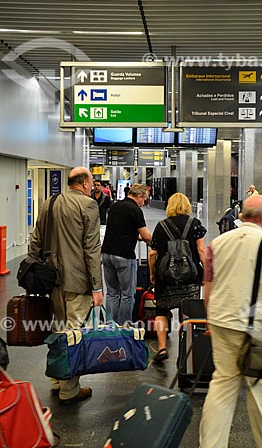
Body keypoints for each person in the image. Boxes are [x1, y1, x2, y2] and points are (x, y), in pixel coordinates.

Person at [199, 195, 262, 448]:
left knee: (222, 385)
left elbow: (208, 286)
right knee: (261, 385)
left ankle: (211, 445)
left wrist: (211, 319)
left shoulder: (218, 242)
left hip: (223, 321)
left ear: (243, 215)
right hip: (257, 328)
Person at [28, 166, 103, 405]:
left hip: (52, 280)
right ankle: (69, 390)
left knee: (58, 330)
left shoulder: (49, 203)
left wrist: (33, 273)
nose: (92, 187)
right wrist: (97, 286)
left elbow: (36, 239)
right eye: (91, 183)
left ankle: (56, 380)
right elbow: (91, 248)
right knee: (74, 333)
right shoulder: (88, 205)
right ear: (83, 184)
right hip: (77, 281)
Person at [149, 192, 207, 362]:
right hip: (191, 275)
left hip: (165, 276)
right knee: (187, 312)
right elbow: (202, 250)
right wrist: (209, 270)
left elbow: (153, 253)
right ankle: (186, 350)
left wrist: (152, 273)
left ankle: (161, 348)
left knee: (161, 311)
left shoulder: (161, 226)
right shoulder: (194, 224)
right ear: (187, 206)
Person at [101, 183, 152, 325]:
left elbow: (122, 230)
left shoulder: (115, 206)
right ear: (139, 196)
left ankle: (110, 326)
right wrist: (156, 244)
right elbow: (146, 236)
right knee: (127, 295)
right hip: (124, 256)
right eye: (144, 199)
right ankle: (124, 327)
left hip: (107, 254)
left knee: (112, 293)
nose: (144, 203)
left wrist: (137, 237)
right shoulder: (135, 209)